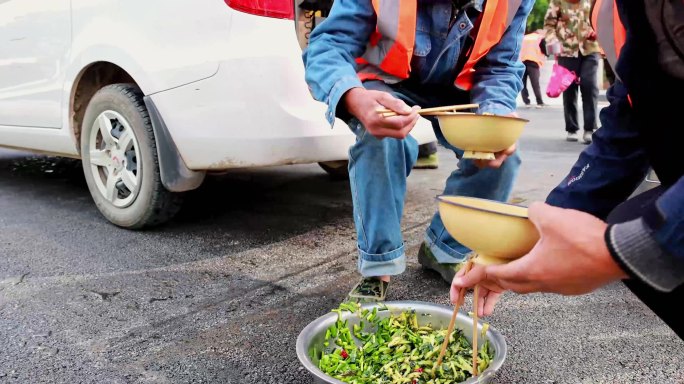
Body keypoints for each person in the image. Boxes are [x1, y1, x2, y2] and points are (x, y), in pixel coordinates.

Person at [451, 0, 684, 339]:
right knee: (629, 230)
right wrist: (526, 240)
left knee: (636, 241)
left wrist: (632, 247)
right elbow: (623, 134)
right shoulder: (619, 14)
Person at [303, 0, 534, 300]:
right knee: (381, 142)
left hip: (458, 89)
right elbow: (329, 44)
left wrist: (497, 111)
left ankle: (445, 248)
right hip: (385, 81)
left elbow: (501, 66)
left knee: (501, 155)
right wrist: (353, 96)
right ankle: (378, 266)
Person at [544, 0, 601, 144]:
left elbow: (600, 17)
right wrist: (553, 42)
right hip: (567, 50)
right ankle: (572, 128)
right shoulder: (558, 2)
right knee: (569, 88)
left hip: (590, 48)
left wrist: (597, 30)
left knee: (589, 85)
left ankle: (590, 128)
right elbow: (549, 24)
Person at [520, 29, 548, 108]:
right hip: (533, 62)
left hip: (522, 61)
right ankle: (539, 102)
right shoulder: (540, 38)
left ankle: (526, 102)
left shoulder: (524, 37)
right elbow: (545, 49)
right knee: (535, 83)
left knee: (523, 84)